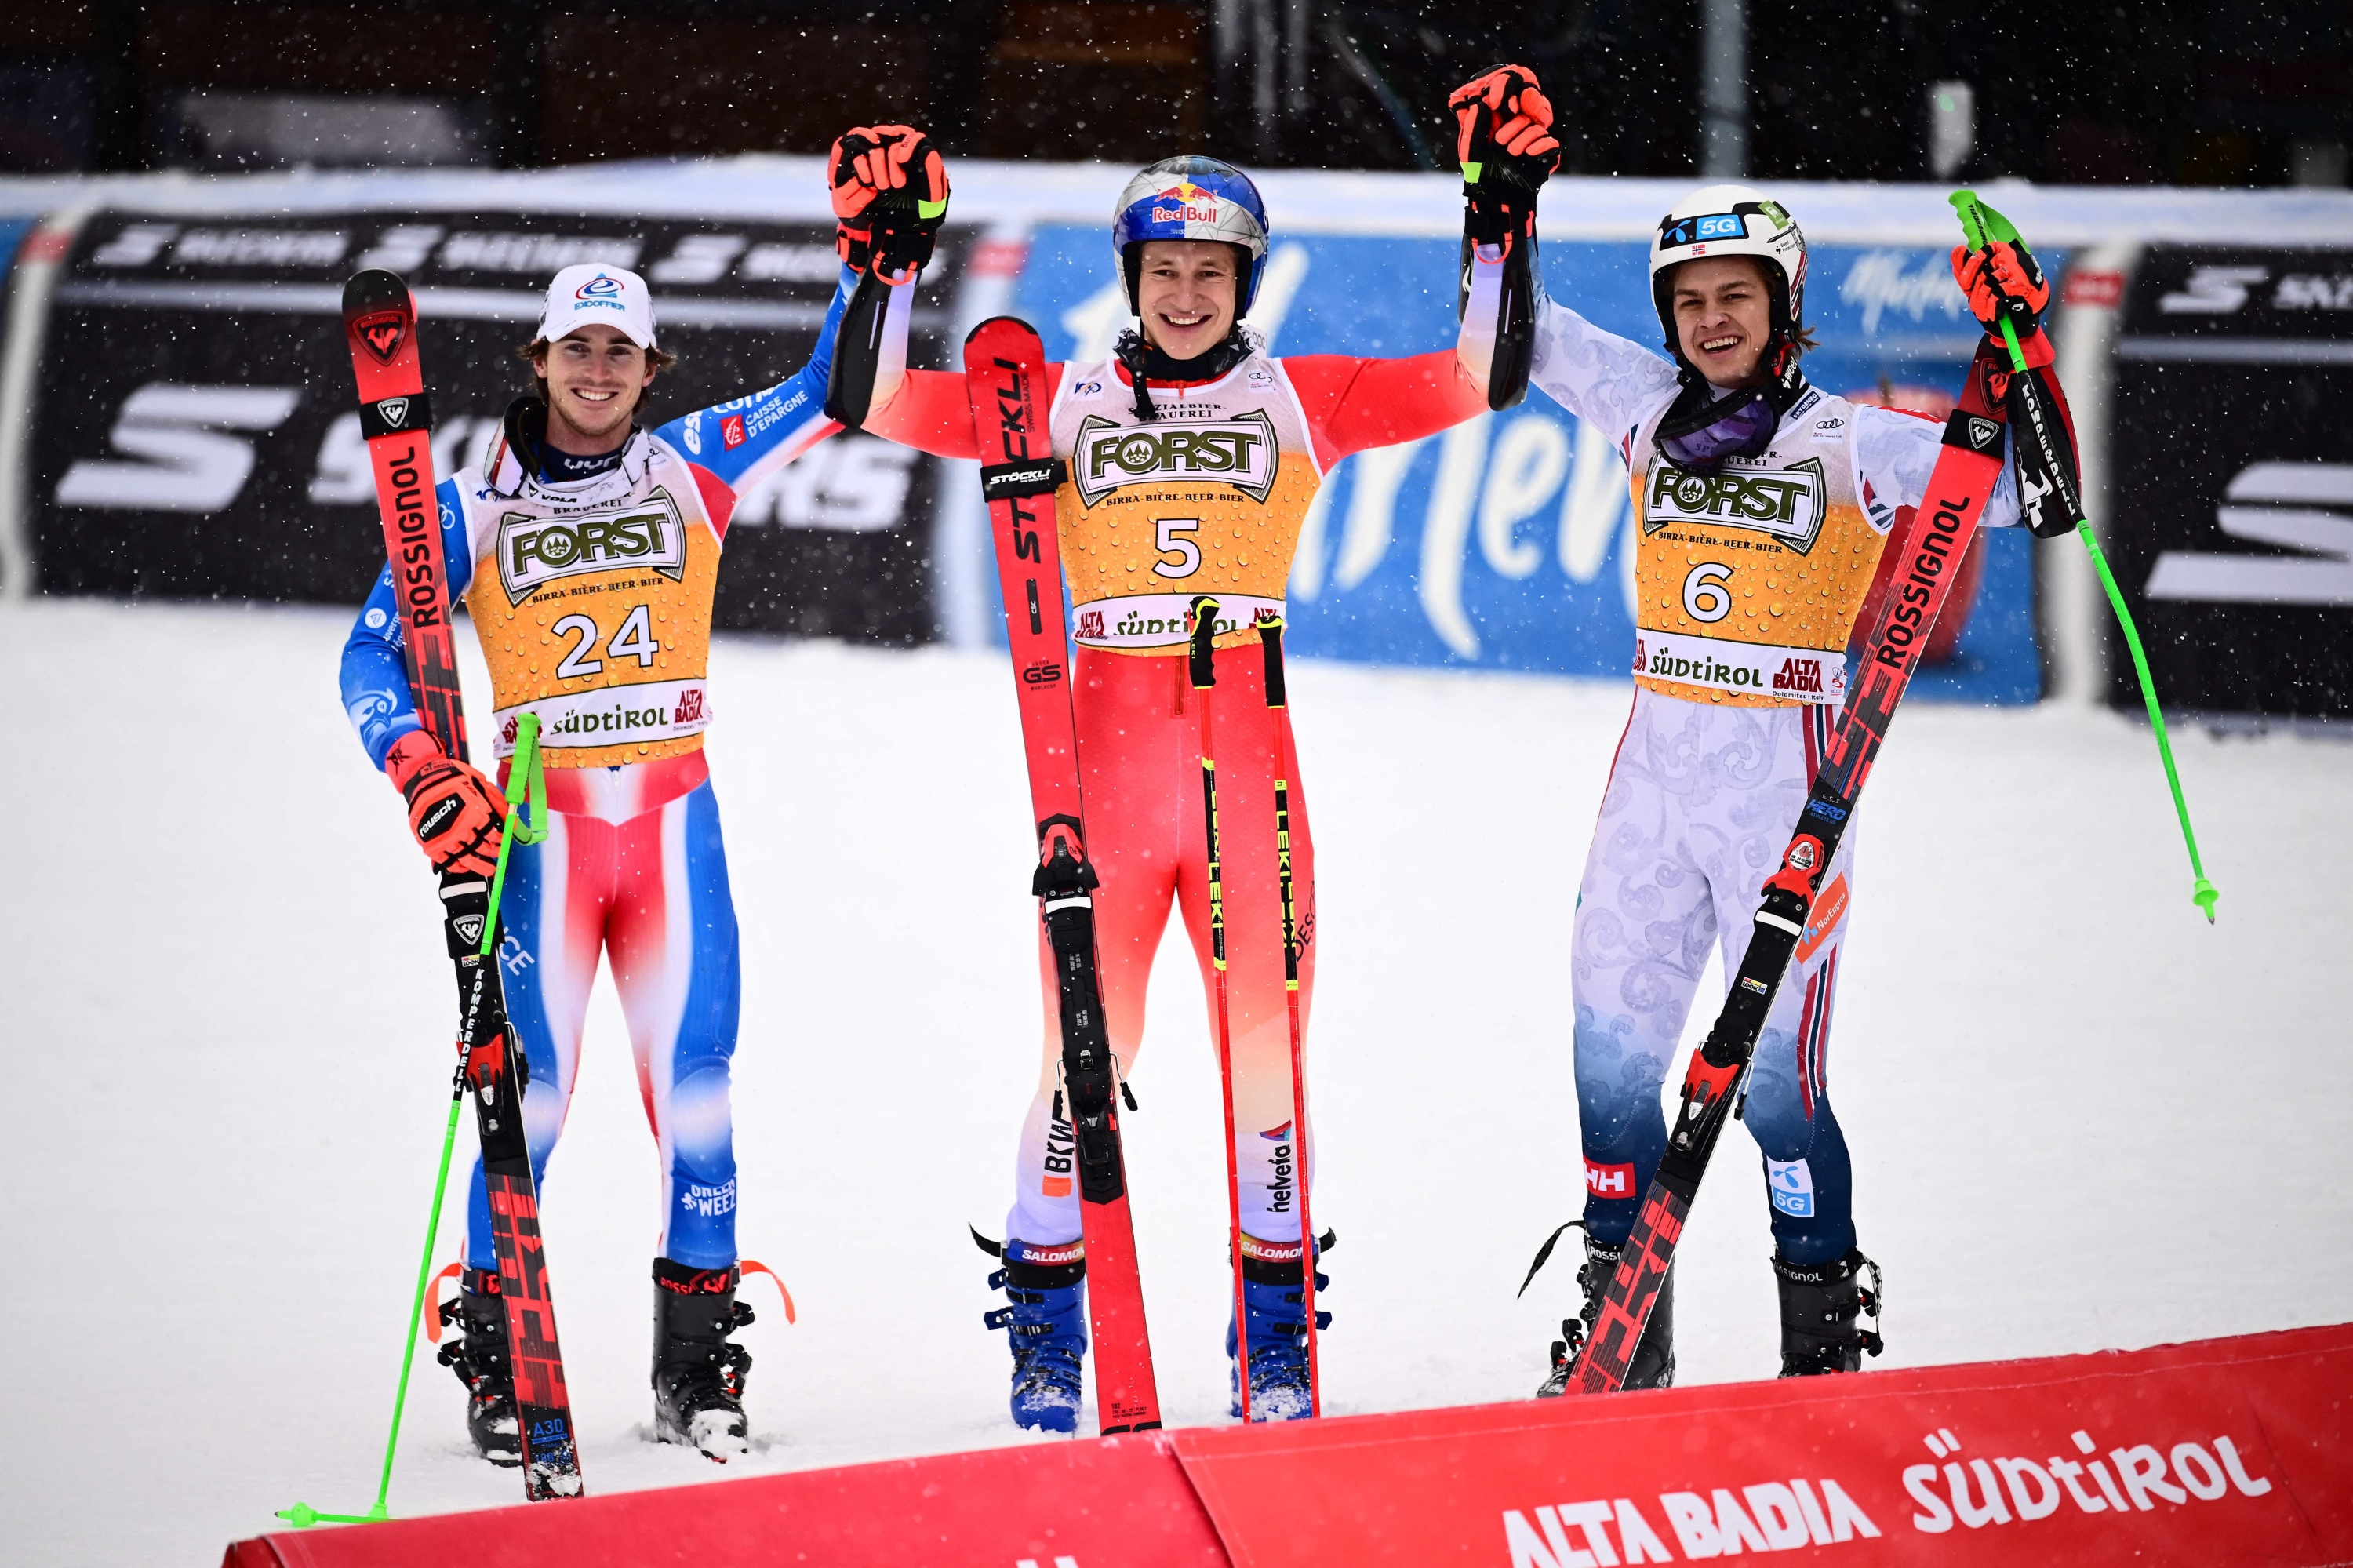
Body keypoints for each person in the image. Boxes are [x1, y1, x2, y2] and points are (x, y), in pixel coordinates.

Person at [842, 71, 1558, 1426]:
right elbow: (870, 400)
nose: (1183, 295)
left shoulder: (1308, 395)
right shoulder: (1049, 399)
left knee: (1269, 1058)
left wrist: (1497, 220)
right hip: (1101, 771)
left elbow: (1483, 375)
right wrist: (880, 264)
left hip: (1250, 770)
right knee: (1077, 1057)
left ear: (1248, 278)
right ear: (1129, 275)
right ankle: (1049, 1326)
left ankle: (1273, 1344)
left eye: (1209, 271)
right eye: (1161, 270)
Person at [335, 127, 947, 1464]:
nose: (597, 370)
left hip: (673, 827)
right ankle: (500, 1354)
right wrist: (424, 773)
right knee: (528, 1096)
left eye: (621, 351)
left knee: (700, 1092)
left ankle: (696, 1369)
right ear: (539, 360)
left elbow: (834, 389)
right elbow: (371, 651)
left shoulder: (694, 462)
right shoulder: (467, 504)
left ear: (650, 366)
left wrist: (874, 264)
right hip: (540, 844)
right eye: (576, 348)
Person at [1518, 164, 2078, 1388]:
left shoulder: (1851, 441)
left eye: (1738, 296)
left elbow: (2041, 492)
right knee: (1606, 1060)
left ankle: (1820, 1343)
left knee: (1779, 1088)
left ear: (1785, 304)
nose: (1712, 320)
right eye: (1690, 300)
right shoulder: (1638, 403)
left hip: (1787, 787)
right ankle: (1627, 1334)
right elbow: (1505, 343)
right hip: (1649, 792)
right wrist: (1499, 210)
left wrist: (2019, 345)